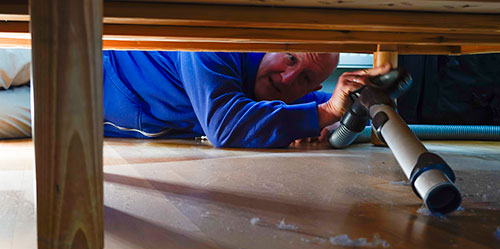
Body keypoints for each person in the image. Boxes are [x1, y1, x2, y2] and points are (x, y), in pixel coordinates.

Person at [0, 49, 391, 147]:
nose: (288, 76)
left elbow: (317, 105)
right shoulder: (218, 45)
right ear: (273, 42)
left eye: (305, 77)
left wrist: (335, 113)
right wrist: (324, 112)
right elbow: (225, 125)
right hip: (68, 56)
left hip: (70, 114)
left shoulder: (277, 92)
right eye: (289, 58)